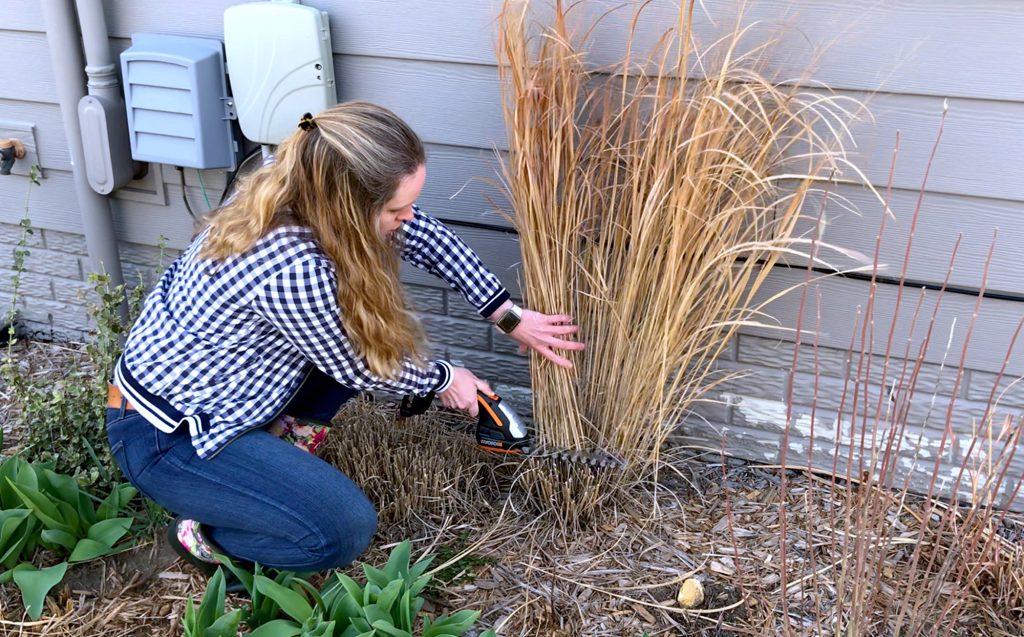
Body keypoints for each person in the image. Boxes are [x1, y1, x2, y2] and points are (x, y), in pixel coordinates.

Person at [105, 101, 584, 575]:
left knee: (363, 330)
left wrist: (508, 315)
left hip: (225, 388)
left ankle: (275, 459)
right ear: (350, 206)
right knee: (340, 529)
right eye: (398, 208)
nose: (410, 216)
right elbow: (360, 364)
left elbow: (427, 237)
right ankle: (203, 536)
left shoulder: (298, 183)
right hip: (168, 435)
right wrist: (447, 381)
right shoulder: (291, 267)